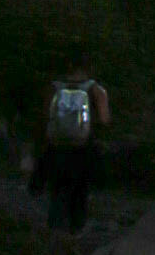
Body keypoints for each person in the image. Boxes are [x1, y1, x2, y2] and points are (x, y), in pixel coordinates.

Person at [31, 72, 109, 236]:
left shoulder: (54, 88)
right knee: (80, 192)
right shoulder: (95, 90)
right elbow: (104, 119)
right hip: (82, 148)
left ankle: (54, 230)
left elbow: (45, 117)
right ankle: (75, 230)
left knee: (57, 191)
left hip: (57, 147)